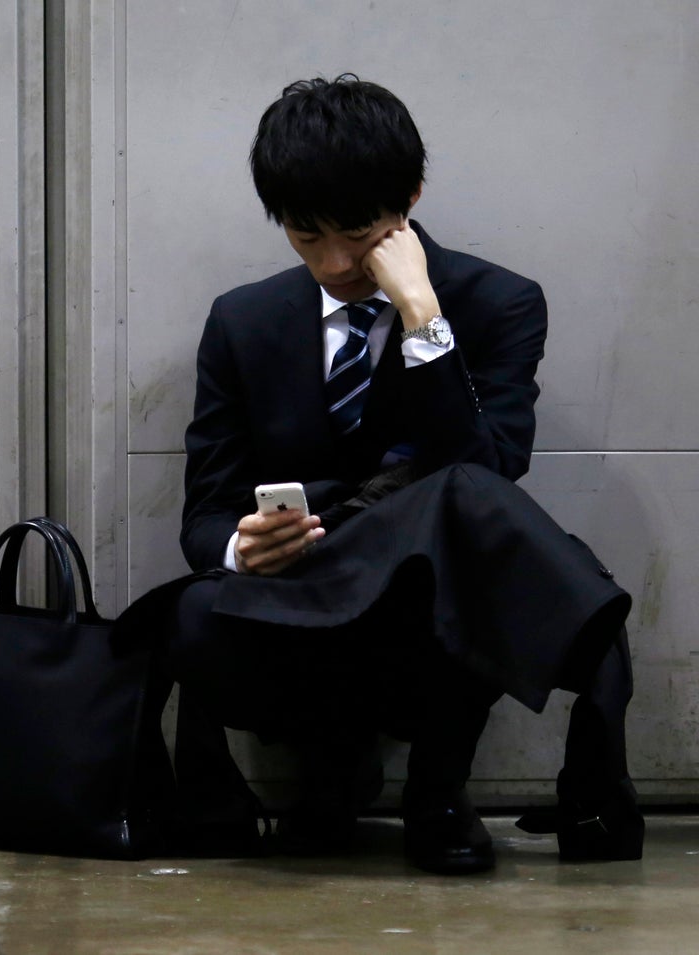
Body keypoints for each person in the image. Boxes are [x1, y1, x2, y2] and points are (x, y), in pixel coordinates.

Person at [141, 74, 643, 874]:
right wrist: (242, 546)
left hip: (428, 607)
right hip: (299, 602)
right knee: (192, 609)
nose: (336, 262)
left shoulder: (498, 303)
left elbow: (489, 476)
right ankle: (327, 772)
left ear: (409, 198)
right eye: (306, 237)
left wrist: (423, 318)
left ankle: (437, 790)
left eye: (360, 233)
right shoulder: (244, 320)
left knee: (465, 514)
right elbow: (202, 513)